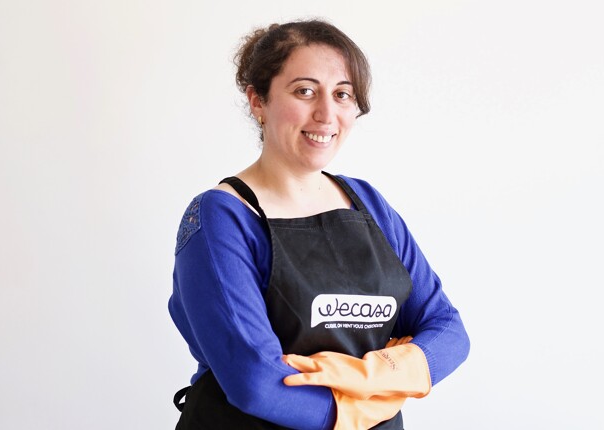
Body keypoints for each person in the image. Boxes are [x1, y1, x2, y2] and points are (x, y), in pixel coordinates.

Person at [168, 19, 469, 430]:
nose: (327, 114)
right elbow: (256, 382)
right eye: (304, 91)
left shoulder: (370, 205)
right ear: (258, 101)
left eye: (342, 94)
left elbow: (448, 333)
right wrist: (370, 405)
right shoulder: (220, 219)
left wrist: (373, 374)